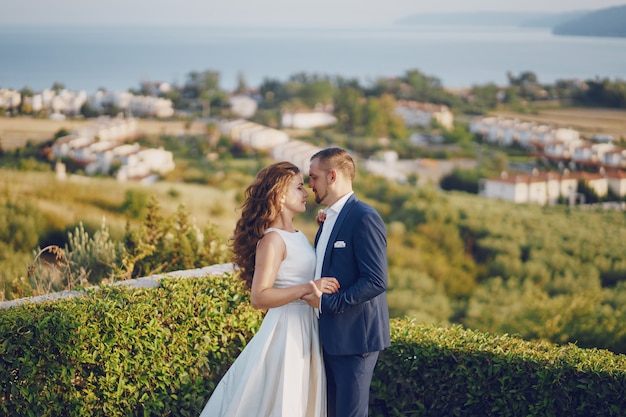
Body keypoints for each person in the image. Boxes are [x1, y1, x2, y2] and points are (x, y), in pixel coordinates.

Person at [199, 161, 339, 417]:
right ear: (280, 195)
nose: (306, 192)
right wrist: (309, 287)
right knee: (283, 401)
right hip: (287, 331)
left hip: (306, 327)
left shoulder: (297, 234)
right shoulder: (272, 240)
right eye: (298, 187)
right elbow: (259, 296)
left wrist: (325, 228)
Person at [303, 147, 391, 417]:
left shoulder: (364, 217)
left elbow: (376, 280)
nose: (310, 185)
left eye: (313, 177)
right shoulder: (328, 219)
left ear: (332, 176)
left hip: (355, 342)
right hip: (328, 339)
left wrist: (328, 303)